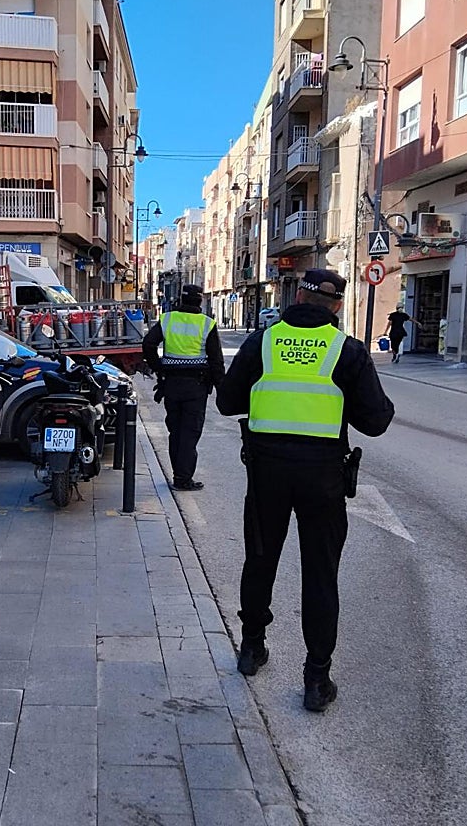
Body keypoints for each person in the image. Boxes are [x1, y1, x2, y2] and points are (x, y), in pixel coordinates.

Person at [217, 269, 395, 713]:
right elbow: (375, 421)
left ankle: (251, 649)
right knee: (320, 574)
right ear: (336, 306)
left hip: (266, 474)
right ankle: (316, 679)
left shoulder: (263, 342)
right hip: (323, 479)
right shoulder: (346, 351)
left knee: (259, 561)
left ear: (296, 296)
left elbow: (226, 402)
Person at [142, 284, 225, 491]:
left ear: (181, 299)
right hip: (196, 387)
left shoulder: (168, 319)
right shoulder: (207, 324)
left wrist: (158, 367)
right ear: (200, 301)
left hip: (171, 385)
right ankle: (183, 478)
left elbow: (148, 344)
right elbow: (216, 361)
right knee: (190, 433)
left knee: (176, 432)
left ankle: (178, 474)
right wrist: (222, 388)